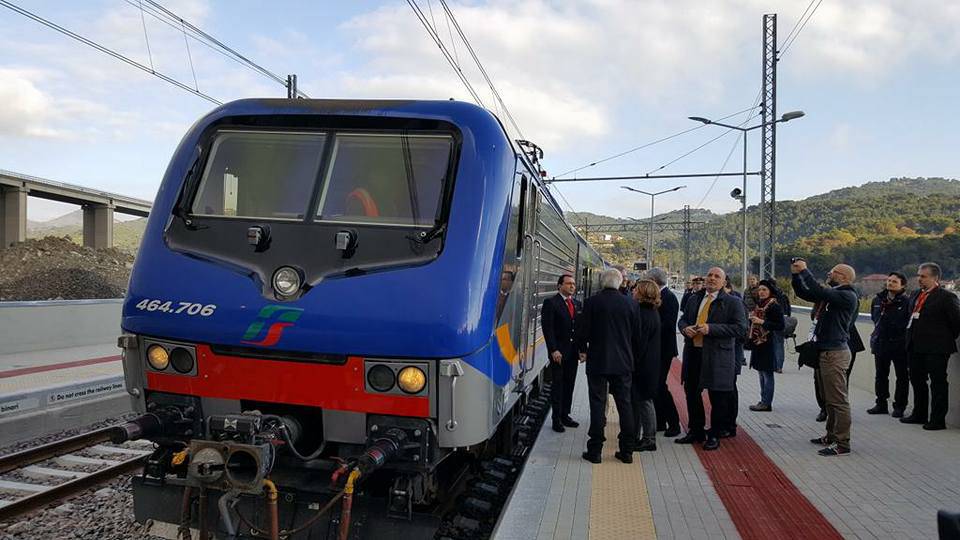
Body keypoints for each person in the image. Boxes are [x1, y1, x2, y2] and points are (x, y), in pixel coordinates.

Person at [791, 259, 858, 456]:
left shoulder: (847, 296)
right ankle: (830, 436)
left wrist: (805, 271)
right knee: (828, 399)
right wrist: (796, 275)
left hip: (835, 353)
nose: (829, 274)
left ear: (843, 277)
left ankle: (842, 443)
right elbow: (805, 293)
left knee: (838, 400)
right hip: (825, 351)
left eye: (833, 272)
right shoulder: (834, 295)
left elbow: (819, 291)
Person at [676, 267, 747, 451]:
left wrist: (712, 329)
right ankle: (695, 430)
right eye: (710, 275)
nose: (712, 279)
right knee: (692, 392)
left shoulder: (732, 302)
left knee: (718, 397)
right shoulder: (694, 299)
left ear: (724, 282)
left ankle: (715, 434)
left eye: (717, 276)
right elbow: (683, 320)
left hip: (717, 356)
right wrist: (685, 329)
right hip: (694, 353)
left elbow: (740, 329)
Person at [577, 268, 638, 464]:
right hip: (623, 363)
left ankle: (595, 451)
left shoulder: (592, 302)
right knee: (625, 405)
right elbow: (636, 335)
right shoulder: (630, 303)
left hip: (598, 361)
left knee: (597, 404)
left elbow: (583, 331)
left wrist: (582, 349)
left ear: (602, 282)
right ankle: (627, 451)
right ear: (620, 283)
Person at [901, 262, 960, 430]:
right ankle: (919, 413)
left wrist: (943, 338)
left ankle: (937, 419)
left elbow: (956, 322)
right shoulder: (915, 294)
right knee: (917, 380)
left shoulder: (947, 297)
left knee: (938, 383)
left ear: (935, 278)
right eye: (918, 275)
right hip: (915, 345)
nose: (919, 279)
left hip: (937, 347)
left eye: (923, 276)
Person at [541, 274, 582, 433]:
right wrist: (553, 349)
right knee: (558, 385)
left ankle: (565, 415)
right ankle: (556, 419)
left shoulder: (577, 304)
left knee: (570, 384)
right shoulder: (551, 303)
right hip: (558, 353)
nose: (572, 286)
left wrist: (582, 350)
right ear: (560, 286)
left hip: (572, 354)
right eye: (568, 283)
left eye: (573, 284)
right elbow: (548, 329)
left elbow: (579, 329)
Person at [867, 272, 911, 417]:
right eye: (889, 281)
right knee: (880, 375)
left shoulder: (907, 302)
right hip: (881, 343)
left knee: (902, 377)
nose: (890, 283)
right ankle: (881, 403)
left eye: (894, 282)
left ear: (902, 285)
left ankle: (899, 406)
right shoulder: (878, 300)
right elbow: (874, 318)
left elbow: (907, 322)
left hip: (899, 344)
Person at [646, 268, 681, 437]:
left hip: (663, 349)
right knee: (655, 386)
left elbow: (667, 325)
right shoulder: (660, 296)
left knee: (660, 386)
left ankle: (674, 423)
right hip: (657, 349)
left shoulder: (669, 297)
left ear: (654, 280)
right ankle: (660, 422)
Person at [631, 279, 662, 452]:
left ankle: (649, 439)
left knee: (643, 401)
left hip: (642, 365)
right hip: (649, 363)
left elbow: (639, 343)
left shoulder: (643, 314)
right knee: (643, 400)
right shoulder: (652, 312)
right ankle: (641, 435)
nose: (633, 291)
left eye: (636, 289)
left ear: (643, 293)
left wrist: (631, 362)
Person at [747, 280, 785, 411]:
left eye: (764, 290)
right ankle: (763, 400)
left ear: (770, 292)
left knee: (767, 374)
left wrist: (761, 321)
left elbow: (780, 325)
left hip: (768, 343)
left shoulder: (774, 306)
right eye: (760, 290)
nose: (761, 292)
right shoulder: (760, 305)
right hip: (759, 343)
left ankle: (766, 402)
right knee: (761, 372)